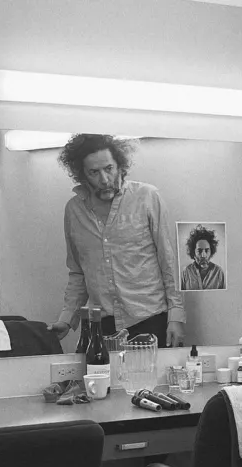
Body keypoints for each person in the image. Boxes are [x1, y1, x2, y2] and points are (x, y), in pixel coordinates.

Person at [48, 134, 185, 347]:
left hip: (150, 318)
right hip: (102, 324)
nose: (104, 179)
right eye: (94, 172)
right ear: (82, 175)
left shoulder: (147, 197)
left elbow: (168, 260)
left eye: (109, 168)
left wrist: (176, 316)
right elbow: (78, 272)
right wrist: (66, 319)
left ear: (120, 166)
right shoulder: (74, 210)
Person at [180, 225, 225, 291]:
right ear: (193, 252)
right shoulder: (186, 272)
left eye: (207, 250)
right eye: (199, 251)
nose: (203, 255)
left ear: (211, 252)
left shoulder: (219, 272)